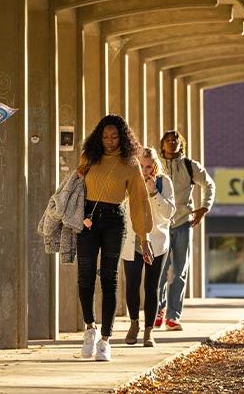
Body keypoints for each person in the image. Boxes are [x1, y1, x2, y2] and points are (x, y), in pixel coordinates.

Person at [76, 114, 153, 361]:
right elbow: (77, 186)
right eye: (106, 136)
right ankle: (90, 328)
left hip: (114, 221)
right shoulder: (89, 157)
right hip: (88, 219)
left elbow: (139, 202)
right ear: (100, 136)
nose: (110, 140)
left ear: (123, 138)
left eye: (115, 136)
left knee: (109, 278)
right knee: (85, 276)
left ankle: (106, 341)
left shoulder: (130, 164)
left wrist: (144, 238)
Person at [156, 130, 215, 331]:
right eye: (168, 140)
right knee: (160, 271)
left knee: (180, 271)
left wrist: (205, 207)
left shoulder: (190, 166)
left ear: (181, 144)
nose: (172, 143)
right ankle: (158, 311)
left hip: (183, 223)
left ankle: (173, 317)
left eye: (176, 141)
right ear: (162, 144)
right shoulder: (156, 165)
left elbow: (209, 184)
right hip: (160, 225)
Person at [121, 147, 175, 347]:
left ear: (155, 166)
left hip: (157, 242)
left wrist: (154, 193)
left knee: (152, 287)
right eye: (141, 166)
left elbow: (169, 213)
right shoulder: (129, 181)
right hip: (132, 241)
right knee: (132, 285)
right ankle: (134, 324)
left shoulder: (164, 182)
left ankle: (148, 331)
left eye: (149, 167)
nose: (145, 170)